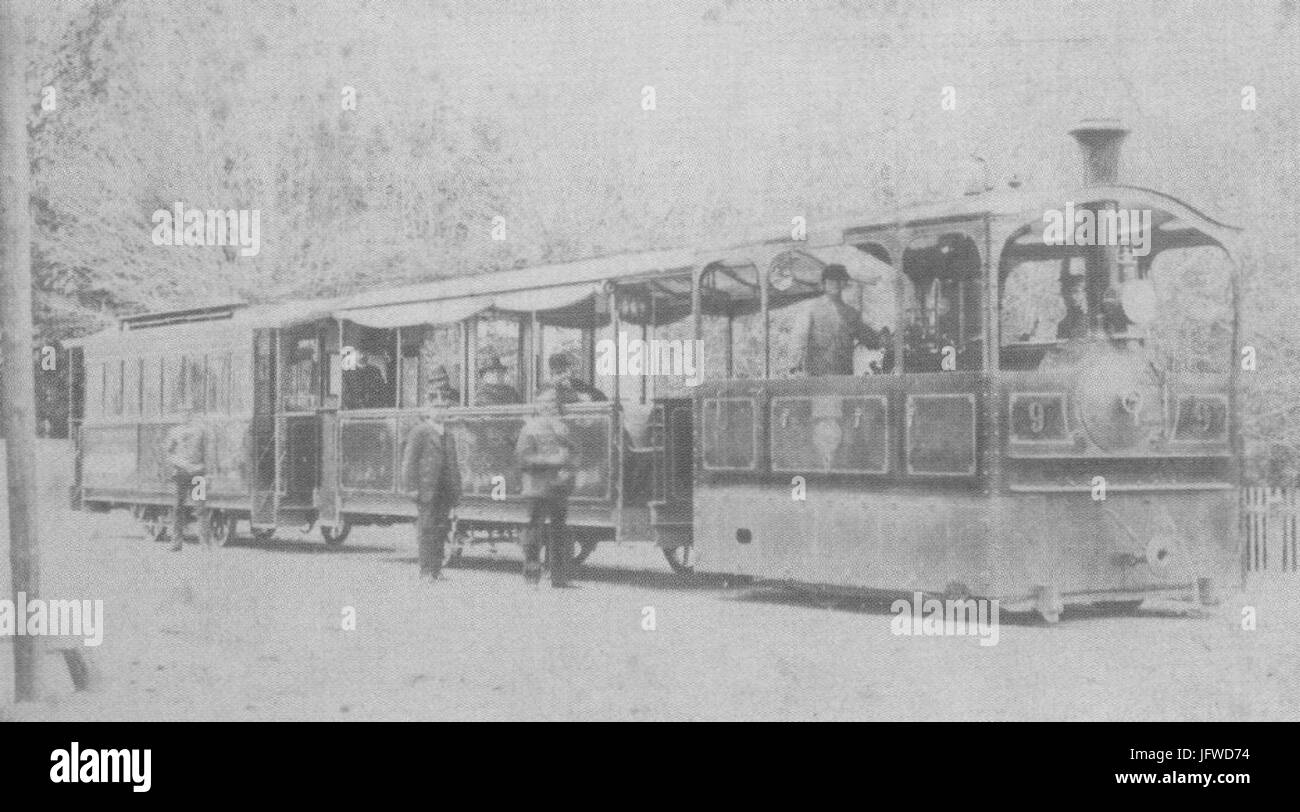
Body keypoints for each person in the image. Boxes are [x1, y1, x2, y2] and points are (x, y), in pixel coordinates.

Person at [514, 387, 575, 587]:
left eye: (552, 401)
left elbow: (573, 454)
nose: (549, 406)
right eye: (544, 402)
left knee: (559, 533)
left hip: (558, 487)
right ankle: (532, 575)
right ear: (538, 406)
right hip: (536, 487)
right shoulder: (529, 429)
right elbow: (524, 459)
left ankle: (559, 578)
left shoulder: (564, 429)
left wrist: (569, 469)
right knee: (533, 534)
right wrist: (553, 461)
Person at [401, 403, 462, 580]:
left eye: (444, 408)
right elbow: (409, 461)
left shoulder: (448, 435)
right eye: (436, 408)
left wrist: (457, 490)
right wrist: (411, 488)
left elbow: (454, 464)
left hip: (445, 489)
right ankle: (426, 570)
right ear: (428, 411)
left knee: (442, 529)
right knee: (427, 529)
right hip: (427, 489)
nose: (440, 412)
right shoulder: (420, 432)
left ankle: (437, 569)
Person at [794, 263, 887, 376]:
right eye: (831, 280)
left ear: (844, 283)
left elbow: (870, 339)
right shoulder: (811, 309)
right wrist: (796, 365)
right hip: (815, 377)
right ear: (824, 283)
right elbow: (799, 340)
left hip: (842, 377)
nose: (835, 284)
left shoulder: (851, 314)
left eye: (840, 280)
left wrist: (883, 338)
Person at [164, 404, 211, 552]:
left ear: (193, 415)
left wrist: (207, 472)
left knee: (201, 509)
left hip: (197, 473)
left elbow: (207, 453)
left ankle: (205, 543)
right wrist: (180, 462)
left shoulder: (200, 431)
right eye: (183, 413)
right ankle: (176, 543)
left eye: (189, 413)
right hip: (180, 475)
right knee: (178, 508)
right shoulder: (174, 432)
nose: (186, 416)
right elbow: (168, 453)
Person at [1056, 271, 1089, 340]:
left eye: (1076, 291)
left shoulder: (1092, 320)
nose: (1072, 297)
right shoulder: (1062, 325)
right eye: (1067, 293)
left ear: (1084, 293)